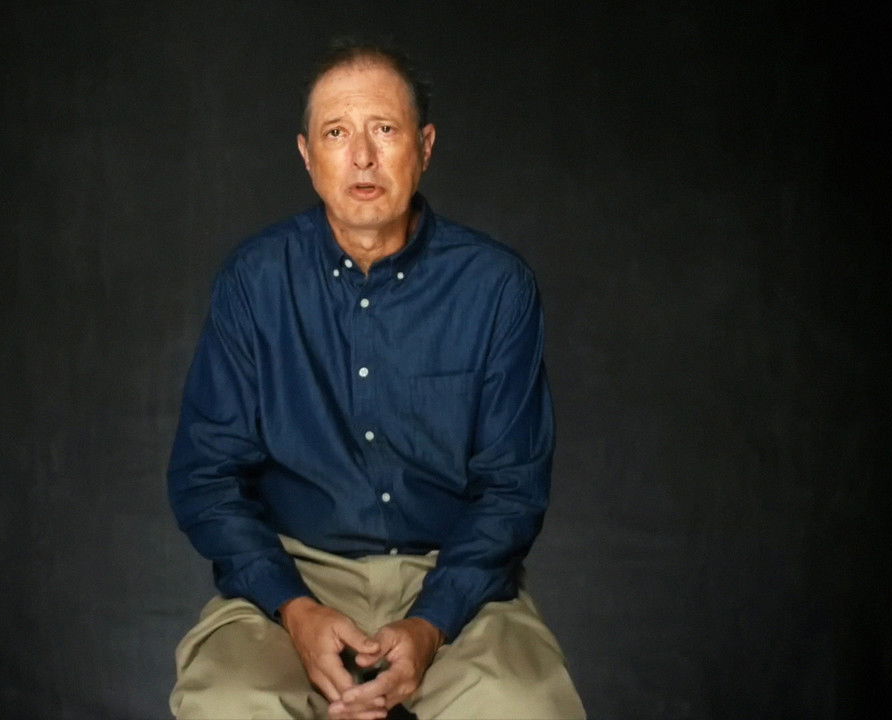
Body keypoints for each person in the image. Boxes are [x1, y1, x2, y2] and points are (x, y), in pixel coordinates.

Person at [167, 39, 586, 720]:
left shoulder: (495, 287)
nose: (362, 156)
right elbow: (205, 476)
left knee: (527, 705)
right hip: (292, 576)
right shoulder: (254, 281)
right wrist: (294, 608)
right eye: (336, 133)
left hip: (455, 579)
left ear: (425, 146)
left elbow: (513, 487)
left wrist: (431, 624)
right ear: (307, 155)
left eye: (384, 129)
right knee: (228, 702)